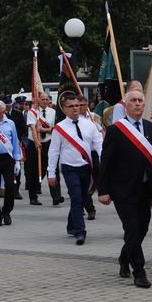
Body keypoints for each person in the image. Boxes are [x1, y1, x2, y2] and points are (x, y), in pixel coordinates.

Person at [98, 90, 152, 288]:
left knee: (142, 229)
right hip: (122, 190)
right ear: (126, 105)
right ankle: (139, 271)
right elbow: (105, 162)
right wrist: (103, 190)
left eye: (141, 100)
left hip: (145, 189)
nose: (138, 104)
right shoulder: (116, 130)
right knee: (131, 228)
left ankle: (125, 257)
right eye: (134, 101)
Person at [48, 94, 103, 245]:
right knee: (76, 198)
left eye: (77, 105)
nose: (75, 109)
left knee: (82, 197)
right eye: (71, 106)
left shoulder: (89, 124)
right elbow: (53, 151)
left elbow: (99, 143)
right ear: (64, 109)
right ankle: (80, 231)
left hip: (86, 167)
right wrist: (51, 173)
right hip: (69, 168)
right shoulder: (59, 128)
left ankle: (71, 225)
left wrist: (104, 159)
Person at [26, 92, 61, 206]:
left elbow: (54, 128)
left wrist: (44, 130)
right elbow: (33, 128)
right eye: (43, 99)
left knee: (53, 169)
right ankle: (33, 196)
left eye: (47, 99)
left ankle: (56, 196)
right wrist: (36, 141)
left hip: (49, 143)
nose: (45, 101)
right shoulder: (32, 112)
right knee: (34, 171)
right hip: (35, 144)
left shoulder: (53, 112)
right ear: (38, 100)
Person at [77, 94, 101, 220]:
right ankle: (89, 208)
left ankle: (92, 192)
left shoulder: (93, 117)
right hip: (80, 154)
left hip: (93, 152)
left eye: (83, 105)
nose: (81, 107)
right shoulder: (73, 119)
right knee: (83, 182)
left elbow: (101, 132)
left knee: (96, 174)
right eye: (78, 105)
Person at [4, 95, 27, 200]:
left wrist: (18, 137)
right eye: (6, 105)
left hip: (15, 143)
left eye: (9, 105)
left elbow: (23, 128)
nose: (8, 107)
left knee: (16, 166)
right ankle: (5, 188)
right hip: (3, 144)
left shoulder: (17, 114)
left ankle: (16, 190)